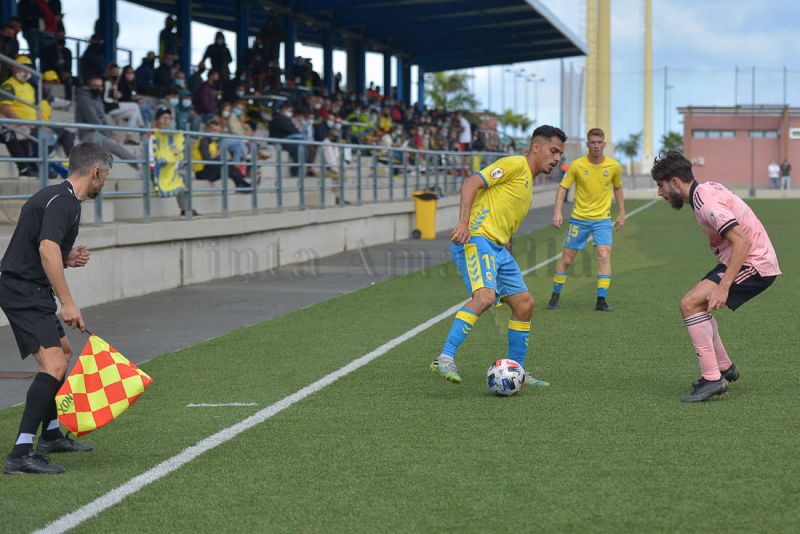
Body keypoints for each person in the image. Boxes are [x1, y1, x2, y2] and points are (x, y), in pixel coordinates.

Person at [1, 142, 112, 475]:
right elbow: (47, 247)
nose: (103, 183)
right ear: (96, 172)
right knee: (53, 365)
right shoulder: (65, 202)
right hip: (22, 289)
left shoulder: (58, 196)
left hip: (25, 286)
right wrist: (67, 302)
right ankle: (20, 453)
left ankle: (49, 436)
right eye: (104, 176)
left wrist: (66, 258)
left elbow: (42, 248)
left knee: (63, 353)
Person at [429, 125, 567, 387]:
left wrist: (508, 246)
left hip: (498, 249)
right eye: (554, 151)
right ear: (536, 147)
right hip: (477, 239)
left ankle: (517, 370)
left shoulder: (527, 182)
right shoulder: (515, 164)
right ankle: (445, 358)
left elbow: (505, 217)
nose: (558, 158)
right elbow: (471, 182)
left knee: (525, 305)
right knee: (485, 296)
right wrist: (462, 223)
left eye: (560, 154)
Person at [651, 151, 781, 402]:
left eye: (661, 185)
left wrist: (723, 286)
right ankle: (723, 367)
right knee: (695, 304)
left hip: (755, 264)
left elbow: (741, 242)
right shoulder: (703, 191)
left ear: (675, 182)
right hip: (739, 259)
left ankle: (713, 380)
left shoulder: (706, 203)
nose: (660, 192)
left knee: (690, 304)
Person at [548, 128, 625, 312]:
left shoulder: (614, 166)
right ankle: (555, 295)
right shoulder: (577, 165)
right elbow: (562, 188)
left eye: (599, 142)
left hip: (602, 220)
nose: (596, 146)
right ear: (587, 144)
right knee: (567, 258)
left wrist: (622, 212)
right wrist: (558, 212)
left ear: (604, 144)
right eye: (593, 142)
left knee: (604, 254)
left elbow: (618, 188)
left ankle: (601, 300)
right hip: (579, 219)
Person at [74, 76, 139, 170]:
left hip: (99, 133)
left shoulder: (97, 98)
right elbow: (94, 120)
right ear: (88, 87)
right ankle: (139, 165)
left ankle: (138, 164)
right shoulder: (84, 99)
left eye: (100, 86)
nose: (97, 88)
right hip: (88, 134)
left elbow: (103, 120)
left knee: (113, 147)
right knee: (113, 145)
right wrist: (110, 135)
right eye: (94, 86)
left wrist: (111, 133)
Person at [150, 108, 195, 217]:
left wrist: (179, 162)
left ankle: (186, 209)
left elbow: (176, 153)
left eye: (169, 118)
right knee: (178, 177)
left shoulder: (172, 136)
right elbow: (150, 156)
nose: (167, 121)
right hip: (155, 168)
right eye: (164, 118)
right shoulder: (151, 135)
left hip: (170, 168)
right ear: (157, 120)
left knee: (182, 176)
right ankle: (185, 209)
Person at [191, 117, 251, 190]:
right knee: (226, 166)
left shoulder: (213, 143)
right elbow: (207, 160)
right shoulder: (204, 141)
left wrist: (217, 158)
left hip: (210, 169)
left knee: (230, 165)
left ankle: (242, 184)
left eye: (217, 131)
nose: (215, 133)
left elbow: (216, 159)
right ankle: (244, 185)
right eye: (212, 130)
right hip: (202, 172)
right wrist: (216, 159)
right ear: (206, 129)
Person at [39, 30, 72, 101]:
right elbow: (46, 65)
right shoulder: (47, 50)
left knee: (73, 80)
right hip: (51, 72)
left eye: (63, 36)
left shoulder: (67, 51)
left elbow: (69, 65)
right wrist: (58, 70)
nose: (62, 38)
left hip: (63, 74)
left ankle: (68, 101)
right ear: (55, 37)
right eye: (60, 36)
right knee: (52, 78)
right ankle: (50, 100)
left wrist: (67, 72)